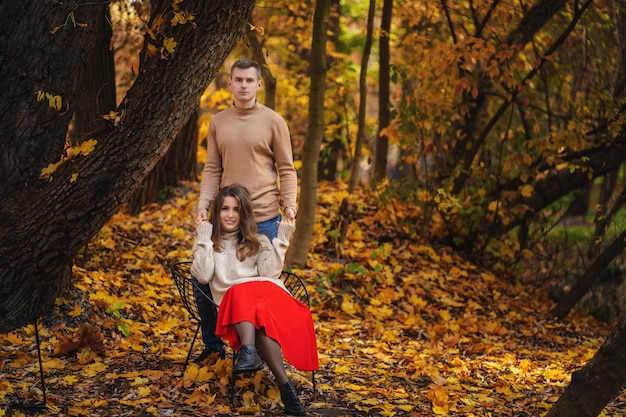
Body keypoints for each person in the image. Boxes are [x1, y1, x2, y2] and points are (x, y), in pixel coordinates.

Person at [193, 58, 299, 361]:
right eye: (238, 80)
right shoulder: (218, 122)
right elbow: (212, 168)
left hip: (264, 219)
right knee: (201, 280)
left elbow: (287, 169)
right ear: (229, 83)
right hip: (227, 218)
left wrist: (290, 205)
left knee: (257, 290)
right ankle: (213, 347)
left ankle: (255, 352)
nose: (243, 85)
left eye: (249, 80)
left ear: (258, 84)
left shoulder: (274, 121)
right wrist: (203, 203)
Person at [190, 184, 317, 416]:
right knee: (246, 306)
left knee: (243, 290)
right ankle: (287, 390)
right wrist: (203, 237)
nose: (230, 214)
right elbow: (203, 274)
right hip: (237, 311)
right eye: (224, 209)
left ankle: (248, 351)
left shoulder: (258, 240)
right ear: (216, 212)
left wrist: (282, 239)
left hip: (267, 302)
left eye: (236, 209)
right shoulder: (210, 242)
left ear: (244, 213)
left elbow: (269, 276)